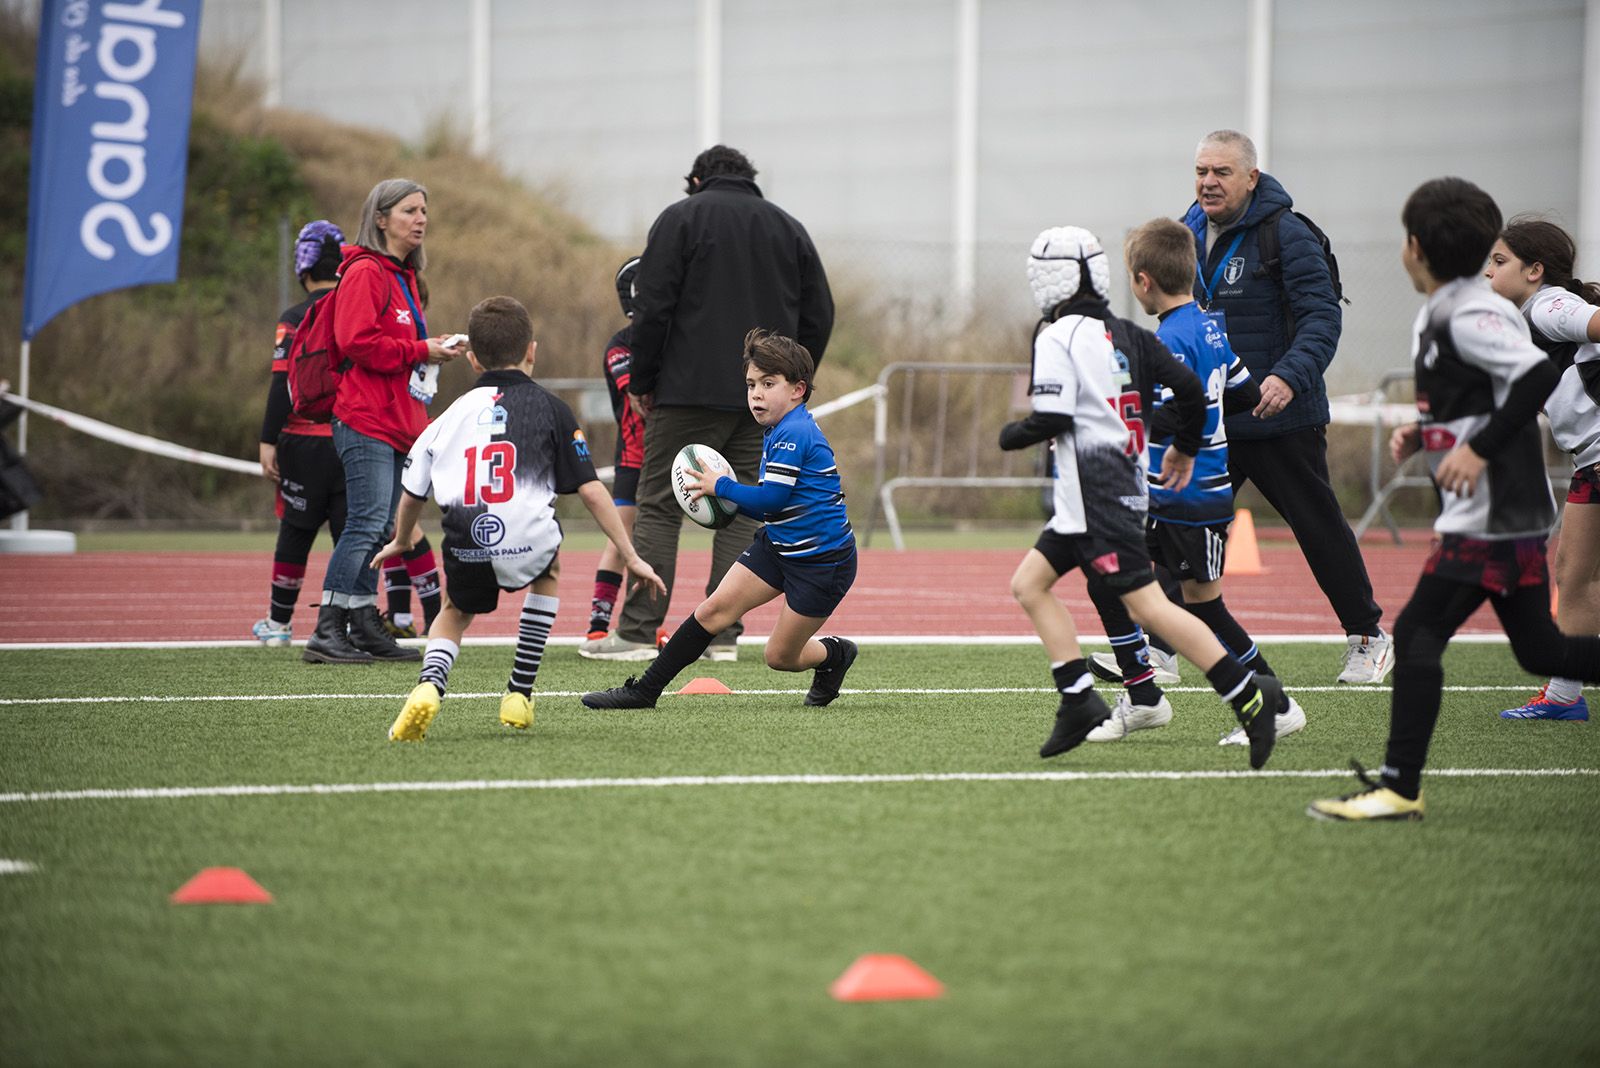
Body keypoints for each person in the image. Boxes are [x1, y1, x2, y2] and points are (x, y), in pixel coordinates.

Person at [1308, 178, 1600, 821]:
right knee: (1542, 652)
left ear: (1414, 248)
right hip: (1505, 511)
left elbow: (1530, 380)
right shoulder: (1467, 305)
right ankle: (1399, 788)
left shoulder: (1463, 310)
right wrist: (1431, 434)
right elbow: (1489, 395)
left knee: (1416, 632)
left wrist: (1479, 450)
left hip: (1494, 514)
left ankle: (1398, 788)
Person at [1002, 225, 1301, 769]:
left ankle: (1256, 697)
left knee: (1165, 607)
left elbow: (1056, 416)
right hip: (1115, 493)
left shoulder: (1067, 336)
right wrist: (1185, 444)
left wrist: (1015, 435)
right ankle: (1087, 698)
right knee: (1036, 585)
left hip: (1118, 494)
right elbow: (1210, 394)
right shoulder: (1141, 332)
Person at [586, 145, 835, 664]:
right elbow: (820, 313)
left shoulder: (681, 218)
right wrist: (791, 382)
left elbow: (651, 307)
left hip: (684, 391)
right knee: (741, 508)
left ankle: (635, 632)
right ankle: (721, 636)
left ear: (697, 179)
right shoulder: (787, 228)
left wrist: (644, 378)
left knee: (658, 507)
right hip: (762, 399)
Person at [380, 296, 665, 741]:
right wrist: (629, 555)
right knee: (547, 571)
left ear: (472, 359)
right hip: (527, 540)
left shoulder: (447, 417)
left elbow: (413, 492)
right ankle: (520, 691)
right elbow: (590, 491)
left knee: (455, 612)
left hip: (466, 538)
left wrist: (401, 540)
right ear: (532, 350)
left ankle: (429, 685)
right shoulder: (553, 409)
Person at [1183, 129, 1392, 684]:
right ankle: (1158, 648)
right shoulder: (1184, 232)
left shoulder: (1289, 233)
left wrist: (1288, 378)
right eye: (1202, 171)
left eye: (1222, 172)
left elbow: (1323, 318)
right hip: (1211, 419)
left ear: (1251, 178)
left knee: (1317, 528)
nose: (1208, 182)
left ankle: (1368, 636)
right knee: (1178, 524)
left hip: (1281, 417)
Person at [1082, 217, 1296, 745]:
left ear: (1142, 281)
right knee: (1105, 573)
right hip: (1172, 495)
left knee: (1205, 606)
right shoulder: (1208, 326)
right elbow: (1244, 394)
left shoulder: (1172, 340)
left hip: (1189, 497)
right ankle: (1143, 694)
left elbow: (1183, 412)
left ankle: (1275, 706)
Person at [582, 329, 858, 711]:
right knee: (712, 610)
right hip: (779, 545)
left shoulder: (794, 433)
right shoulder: (778, 428)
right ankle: (644, 691)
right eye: (750, 384)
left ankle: (835, 655)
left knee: (779, 656)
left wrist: (721, 488)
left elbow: (771, 502)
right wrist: (721, 499)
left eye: (768, 383)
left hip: (822, 562)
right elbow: (771, 507)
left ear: (798, 389)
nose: (756, 394)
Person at [303, 177, 463, 665]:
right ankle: (327, 630)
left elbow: (394, 345)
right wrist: (422, 349)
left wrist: (433, 353)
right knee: (367, 523)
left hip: (398, 420)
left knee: (378, 531)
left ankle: (362, 622)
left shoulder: (405, 276)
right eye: (410, 211)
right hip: (364, 416)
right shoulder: (366, 271)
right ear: (380, 219)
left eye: (424, 212)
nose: (421, 220)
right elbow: (355, 341)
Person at [1484, 219, 1600, 722]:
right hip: (1591, 463)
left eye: (1499, 261)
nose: (1488, 271)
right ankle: (1564, 696)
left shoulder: (1551, 305)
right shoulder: (1527, 325)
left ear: (1535, 270)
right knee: (1574, 577)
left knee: (1575, 577)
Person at [251, 220, 347, 648]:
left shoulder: (294, 318)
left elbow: (280, 384)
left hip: (303, 440)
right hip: (355, 439)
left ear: (303, 267)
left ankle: (278, 623)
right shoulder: (356, 310)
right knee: (353, 535)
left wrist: (268, 439)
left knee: (296, 530)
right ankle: (345, 623)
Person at [578, 255, 648, 656]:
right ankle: (598, 625)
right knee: (622, 540)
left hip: (673, 456)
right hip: (635, 456)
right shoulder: (620, 345)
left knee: (657, 541)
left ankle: (646, 624)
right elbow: (638, 396)